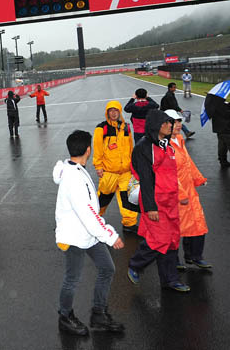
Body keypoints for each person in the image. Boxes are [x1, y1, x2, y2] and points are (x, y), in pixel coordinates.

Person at [54, 130, 125, 336]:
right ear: (88, 149)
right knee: (72, 279)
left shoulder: (75, 168)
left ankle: (98, 313)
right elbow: (89, 214)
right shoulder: (74, 178)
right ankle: (65, 317)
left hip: (87, 234)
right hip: (73, 236)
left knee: (107, 268)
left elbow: (89, 213)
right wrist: (111, 236)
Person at [127, 110, 190, 293]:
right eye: (167, 122)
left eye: (171, 123)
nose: (171, 125)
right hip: (155, 202)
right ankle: (135, 265)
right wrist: (150, 207)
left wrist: (179, 196)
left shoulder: (166, 145)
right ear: (156, 124)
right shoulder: (145, 147)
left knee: (171, 242)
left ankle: (170, 280)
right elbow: (146, 179)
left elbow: (170, 176)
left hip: (170, 203)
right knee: (159, 240)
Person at [166, 110, 212, 270]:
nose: (178, 125)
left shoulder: (179, 139)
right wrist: (181, 194)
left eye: (179, 121)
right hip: (175, 194)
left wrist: (198, 178)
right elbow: (168, 175)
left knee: (198, 223)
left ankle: (195, 256)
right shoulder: (164, 146)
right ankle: (175, 260)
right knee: (177, 228)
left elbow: (188, 163)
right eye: (174, 122)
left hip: (189, 191)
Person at [93, 101, 138, 234]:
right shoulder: (101, 128)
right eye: (111, 111)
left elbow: (131, 147)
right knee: (103, 199)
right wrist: (98, 166)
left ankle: (129, 224)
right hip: (108, 173)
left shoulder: (126, 128)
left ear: (119, 112)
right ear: (107, 113)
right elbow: (97, 149)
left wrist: (133, 165)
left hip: (125, 172)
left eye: (116, 110)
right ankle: (93, 221)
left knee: (127, 199)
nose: (113, 113)